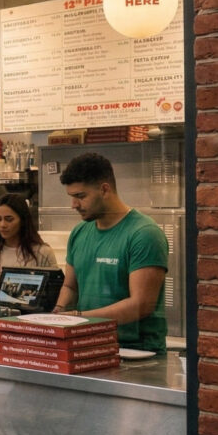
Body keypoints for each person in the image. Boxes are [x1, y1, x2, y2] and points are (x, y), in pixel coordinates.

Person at [53, 151, 168, 352]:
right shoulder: (80, 232)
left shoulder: (144, 234)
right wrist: (58, 313)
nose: (74, 205)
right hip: (87, 345)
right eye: (71, 197)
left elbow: (141, 304)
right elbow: (71, 287)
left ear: (104, 190)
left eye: (81, 196)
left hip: (135, 353)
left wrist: (80, 319)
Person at [0, 192, 57, 293]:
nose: (2, 225)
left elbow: (53, 293)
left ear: (23, 220)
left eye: (9, 219)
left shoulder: (42, 252)